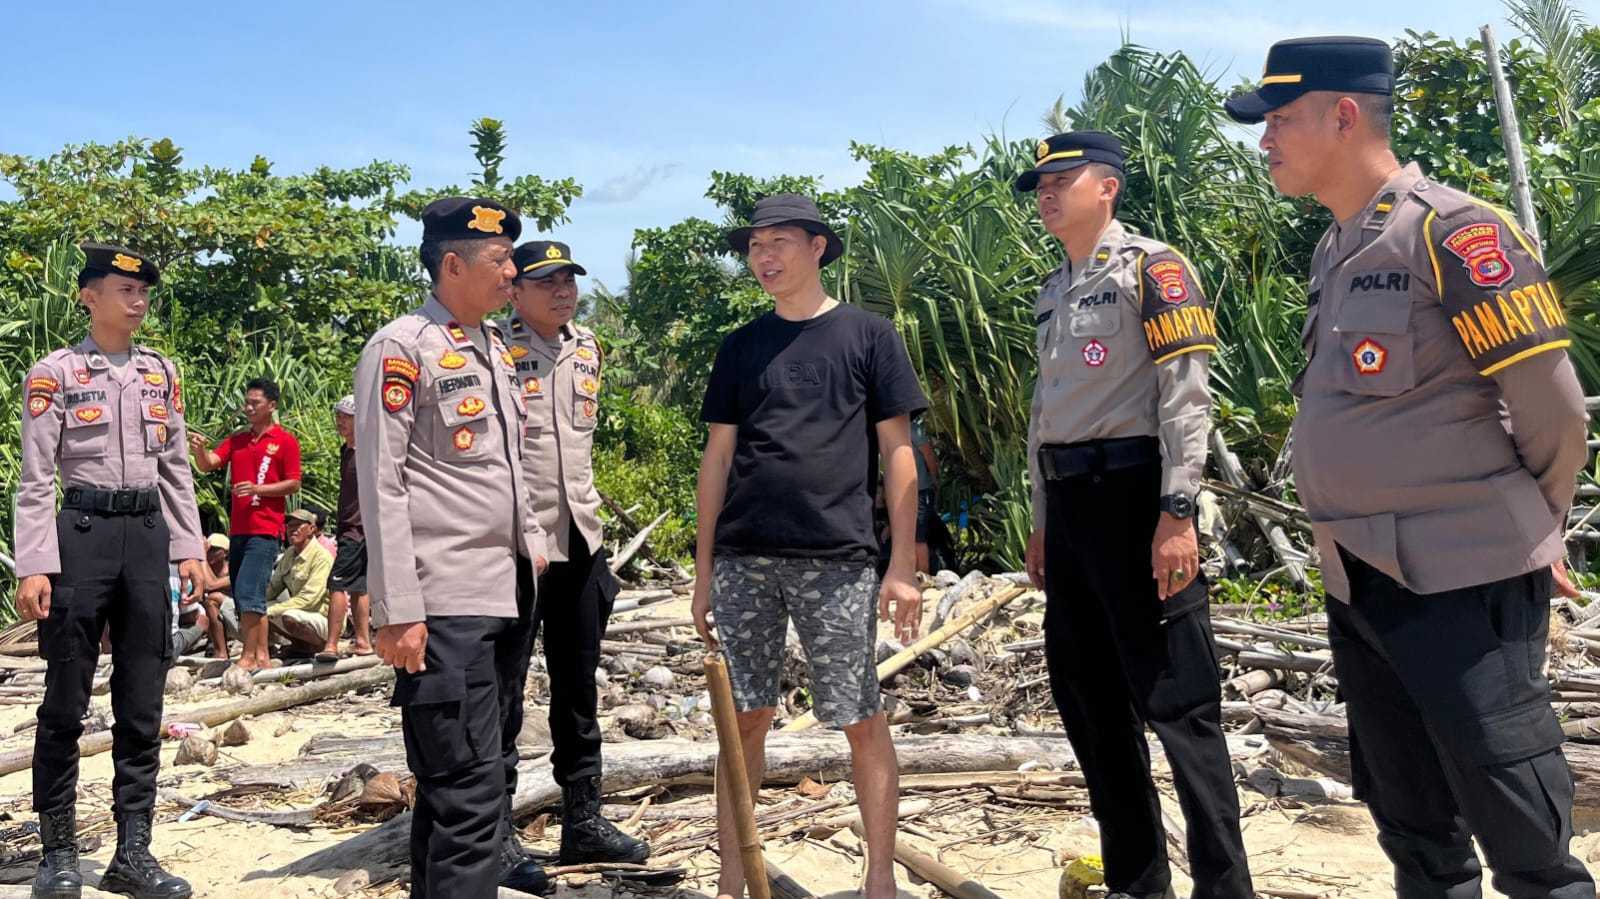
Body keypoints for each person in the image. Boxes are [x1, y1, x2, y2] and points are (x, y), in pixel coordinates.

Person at [1226, 37, 1594, 898]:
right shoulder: (1336, 248)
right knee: (1416, 832)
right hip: (1359, 579)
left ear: (1343, 115)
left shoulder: (1454, 231)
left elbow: (1554, 407)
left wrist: (1531, 529)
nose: (1265, 139)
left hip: (1464, 580)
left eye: (1280, 118)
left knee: (1526, 840)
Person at [1018, 132, 1252, 899]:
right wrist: (1042, 516)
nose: (1048, 193)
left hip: (1136, 498)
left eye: (1063, 178)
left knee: (1181, 704)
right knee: (1089, 700)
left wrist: (1177, 510)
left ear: (1108, 186)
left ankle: (1226, 887)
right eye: (1041, 184)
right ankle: (1138, 881)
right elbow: (1045, 414)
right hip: (1070, 509)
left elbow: (1186, 397)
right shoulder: (1053, 289)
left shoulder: (1154, 269)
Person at [692, 193, 926, 899]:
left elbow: (899, 452)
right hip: (744, 557)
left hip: (838, 557)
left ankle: (879, 879)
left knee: (860, 715)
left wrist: (903, 565)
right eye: (754, 246)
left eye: (779, 243)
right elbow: (717, 458)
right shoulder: (741, 345)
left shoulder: (868, 335)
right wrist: (703, 571)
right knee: (744, 718)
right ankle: (733, 881)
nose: (763, 258)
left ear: (818, 247)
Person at [355, 197, 552, 899]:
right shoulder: (401, 348)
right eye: (499, 260)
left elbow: (510, 465)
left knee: (466, 787)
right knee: (468, 795)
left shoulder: (493, 345)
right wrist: (398, 607)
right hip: (444, 602)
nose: (512, 272)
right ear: (452, 264)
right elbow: (382, 483)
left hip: (505, 590)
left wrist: (534, 546)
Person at [14, 242, 202, 899]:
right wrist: (35, 563)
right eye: (125, 289)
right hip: (82, 537)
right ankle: (58, 853)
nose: (138, 299)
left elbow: (175, 467)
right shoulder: (56, 372)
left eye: (144, 289)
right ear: (89, 297)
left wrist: (190, 547)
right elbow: (36, 478)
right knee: (65, 699)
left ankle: (133, 853)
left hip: (146, 537)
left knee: (142, 700)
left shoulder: (160, 372)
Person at [500, 240, 649, 868]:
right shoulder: (493, 349)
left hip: (581, 539)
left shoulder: (588, 347)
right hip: (516, 544)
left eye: (569, 280)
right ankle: (495, 832)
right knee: (503, 693)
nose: (563, 292)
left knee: (578, 688)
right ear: (514, 291)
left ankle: (583, 820)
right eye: (547, 282)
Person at [188, 378, 302, 671]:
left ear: (272, 405)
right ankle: (262, 656)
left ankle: (248, 657)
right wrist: (199, 449)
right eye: (246, 402)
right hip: (238, 530)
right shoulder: (238, 440)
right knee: (245, 595)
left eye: (255, 403)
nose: (249, 408)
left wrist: (257, 489)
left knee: (250, 592)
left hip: (265, 531)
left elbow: (293, 483)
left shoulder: (285, 441)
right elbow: (208, 463)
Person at [320, 394, 372, 660]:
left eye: (346, 417)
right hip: (352, 527)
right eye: (339, 416)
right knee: (359, 586)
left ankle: (331, 644)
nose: (340, 421)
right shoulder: (347, 450)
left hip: (357, 528)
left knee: (337, 584)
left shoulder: (365, 452)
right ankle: (363, 641)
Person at [264, 508, 335, 656]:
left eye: (298, 525)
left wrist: (272, 610)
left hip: (322, 616)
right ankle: (300, 645)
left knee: (289, 616)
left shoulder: (321, 557)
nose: (292, 530)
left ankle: (319, 646)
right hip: (301, 611)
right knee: (258, 610)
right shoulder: (289, 554)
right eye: (290, 526)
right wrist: (255, 606)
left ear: (312, 529)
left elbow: (308, 600)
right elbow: (273, 588)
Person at [199, 533, 237, 658]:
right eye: (208, 549)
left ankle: (221, 651)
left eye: (214, 550)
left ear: (225, 553)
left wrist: (202, 556)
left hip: (236, 620)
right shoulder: (204, 569)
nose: (210, 553)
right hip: (211, 622)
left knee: (212, 599)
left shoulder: (233, 571)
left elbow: (210, 585)